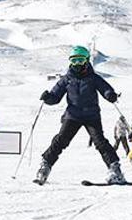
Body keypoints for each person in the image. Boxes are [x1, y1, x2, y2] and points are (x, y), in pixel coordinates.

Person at [35, 46, 125, 185]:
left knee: (100, 142)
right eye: (74, 60)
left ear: (86, 60)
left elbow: (105, 88)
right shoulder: (66, 79)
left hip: (91, 115)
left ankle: (115, 170)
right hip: (73, 115)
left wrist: (110, 95)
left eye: (80, 60)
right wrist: (48, 98)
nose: (77, 64)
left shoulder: (93, 77)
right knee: (60, 141)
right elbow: (56, 96)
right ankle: (45, 167)